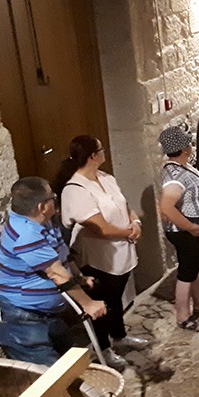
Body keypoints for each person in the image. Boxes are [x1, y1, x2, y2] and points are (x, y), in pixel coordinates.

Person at [0, 177, 108, 366]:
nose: (55, 199)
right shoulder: (26, 235)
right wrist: (88, 304)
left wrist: (79, 277)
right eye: (53, 197)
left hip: (45, 315)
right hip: (22, 320)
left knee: (72, 362)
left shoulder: (43, 222)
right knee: (52, 375)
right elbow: (56, 273)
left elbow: (62, 255)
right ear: (42, 207)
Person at [56, 135, 147, 370]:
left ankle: (119, 336)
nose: (104, 152)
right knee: (102, 302)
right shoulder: (75, 190)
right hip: (98, 257)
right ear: (93, 156)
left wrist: (135, 223)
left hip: (121, 250)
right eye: (101, 149)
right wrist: (128, 232)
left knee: (115, 298)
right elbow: (102, 228)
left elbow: (124, 205)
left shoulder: (106, 178)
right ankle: (103, 348)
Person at [157, 126, 199, 332]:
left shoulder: (183, 166)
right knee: (186, 271)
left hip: (194, 231)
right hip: (185, 233)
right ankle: (183, 315)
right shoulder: (175, 174)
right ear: (185, 148)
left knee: (195, 266)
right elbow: (166, 207)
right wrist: (190, 227)